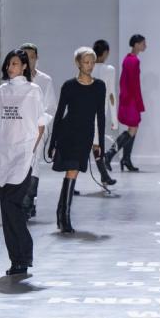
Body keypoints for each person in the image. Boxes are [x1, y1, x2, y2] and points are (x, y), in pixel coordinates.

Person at [0, 49, 45, 276]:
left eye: (15, 64)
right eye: (9, 63)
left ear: (24, 66)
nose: (11, 67)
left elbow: (40, 124)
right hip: (5, 154)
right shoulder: (2, 91)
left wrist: (30, 151)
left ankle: (23, 256)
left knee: (14, 207)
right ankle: (17, 259)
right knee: (7, 210)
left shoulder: (33, 91)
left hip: (23, 154)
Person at [48, 47, 107, 233]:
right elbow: (59, 114)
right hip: (68, 133)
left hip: (85, 135)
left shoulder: (99, 86)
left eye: (92, 62)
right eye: (86, 62)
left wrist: (100, 144)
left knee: (74, 171)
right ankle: (64, 217)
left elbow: (101, 116)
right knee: (72, 170)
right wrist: (53, 142)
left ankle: (61, 213)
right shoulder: (68, 86)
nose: (89, 66)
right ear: (78, 63)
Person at [19, 43, 58, 218]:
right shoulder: (15, 80)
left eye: (32, 56)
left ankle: (28, 202)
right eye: (25, 56)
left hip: (38, 128)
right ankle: (25, 202)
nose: (29, 59)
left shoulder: (45, 80)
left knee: (33, 162)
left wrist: (40, 123)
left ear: (36, 58)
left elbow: (51, 107)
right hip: (18, 129)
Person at [105, 34, 146, 172]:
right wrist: (139, 103)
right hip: (131, 100)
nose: (145, 46)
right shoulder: (133, 60)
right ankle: (110, 154)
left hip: (128, 98)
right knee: (133, 128)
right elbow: (134, 84)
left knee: (133, 129)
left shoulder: (128, 59)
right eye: (142, 43)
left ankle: (125, 159)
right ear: (136, 44)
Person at [91, 39, 117, 186]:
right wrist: (115, 119)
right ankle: (104, 176)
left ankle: (103, 176)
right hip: (100, 112)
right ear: (106, 52)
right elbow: (111, 95)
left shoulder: (87, 67)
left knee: (87, 146)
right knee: (96, 144)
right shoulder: (109, 69)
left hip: (85, 110)